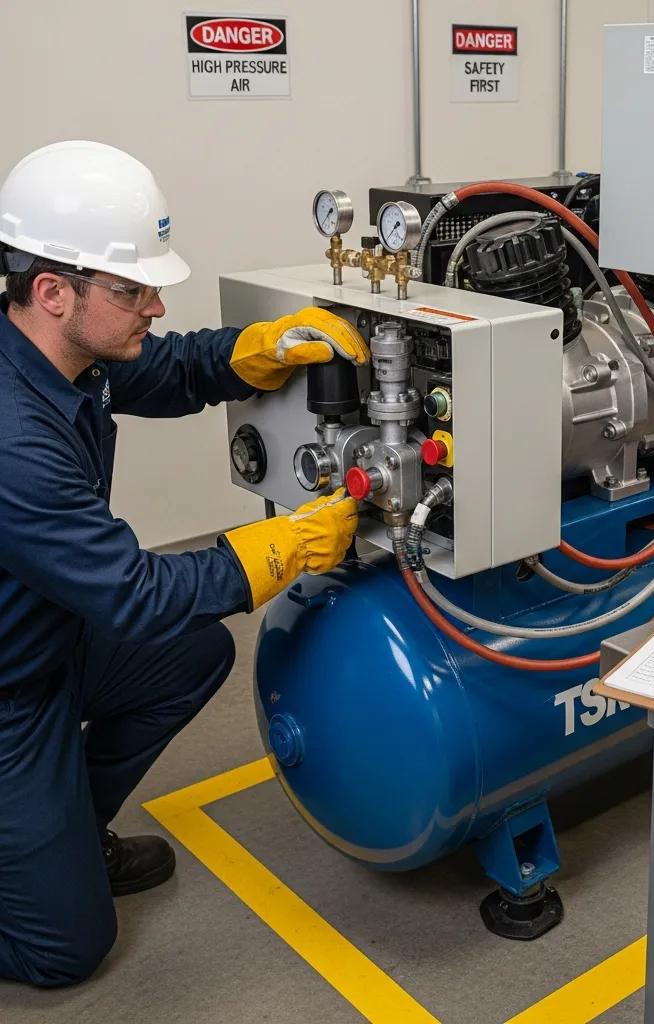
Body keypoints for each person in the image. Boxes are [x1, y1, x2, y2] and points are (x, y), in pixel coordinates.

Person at [0, 140, 367, 987]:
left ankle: (64, 840)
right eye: (133, 290)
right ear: (54, 291)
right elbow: (133, 593)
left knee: (194, 653)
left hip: (51, 640)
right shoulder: (14, 438)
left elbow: (164, 369)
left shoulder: (60, 351)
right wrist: (279, 548)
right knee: (67, 951)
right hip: (10, 693)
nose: (155, 306)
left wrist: (254, 348)